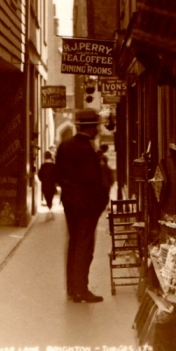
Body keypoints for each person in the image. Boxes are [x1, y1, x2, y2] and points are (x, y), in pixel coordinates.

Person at [55, 109, 108, 303]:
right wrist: (101, 202)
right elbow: (93, 182)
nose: (98, 129)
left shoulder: (65, 146)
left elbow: (58, 175)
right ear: (91, 128)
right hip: (86, 206)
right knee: (85, 247)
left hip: (69, 204)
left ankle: (72, 288)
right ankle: (81, 290)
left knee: (74, 243)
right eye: (96, 126)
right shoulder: (87, 150)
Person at [38, 151, 57, 220]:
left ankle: (49, 210)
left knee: (47, 198)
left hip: (45, 185)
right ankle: (50, 210)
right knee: (50, 198)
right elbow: (56, 175)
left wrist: (43, 180)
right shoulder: (54, 166)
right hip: (52, 185)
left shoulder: (43, 166)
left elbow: (39, 175)